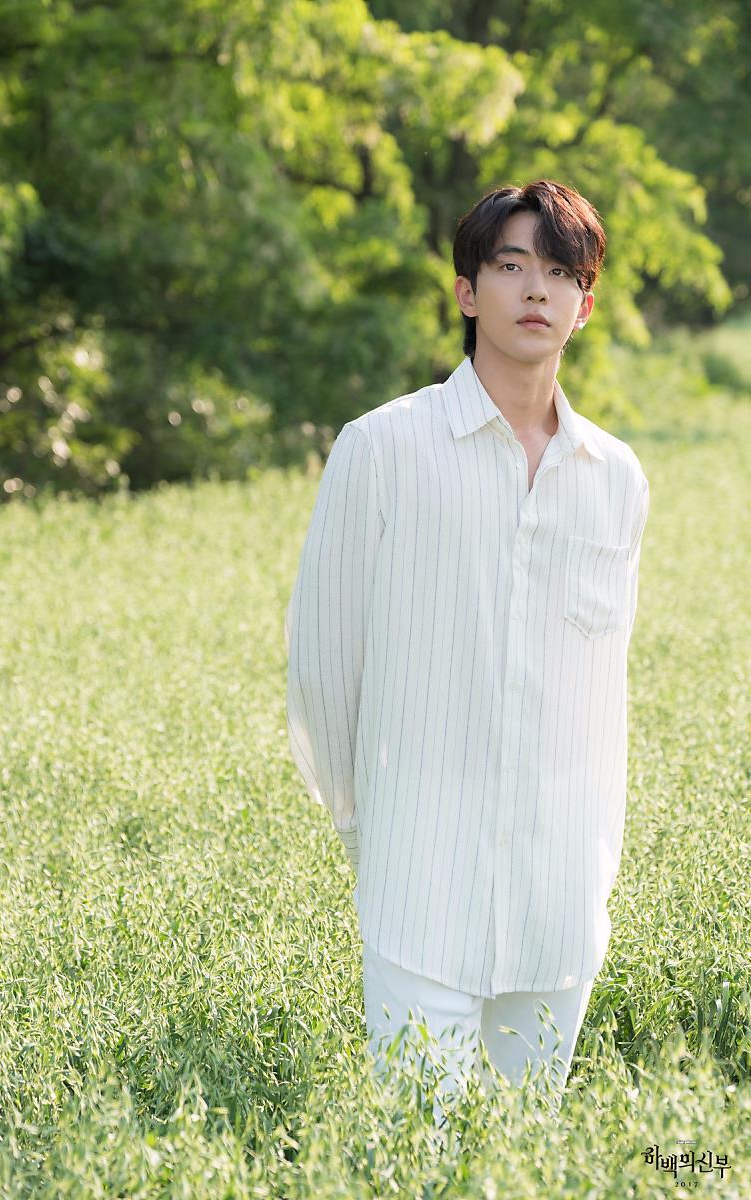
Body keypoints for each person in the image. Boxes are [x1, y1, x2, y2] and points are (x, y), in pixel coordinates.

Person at [284, 179, 651, 1116]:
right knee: (420, 1153)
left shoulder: (615, 478)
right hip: (420, 885)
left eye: (561, 273)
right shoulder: (382, 448)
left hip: (559, 900)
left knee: (524, 1158)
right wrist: (366, 828)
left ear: (584, 306)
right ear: (467, 292)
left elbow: (605, 697)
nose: (536, 289)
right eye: (512, 265)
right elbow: (323, 664)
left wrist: (597, 865)